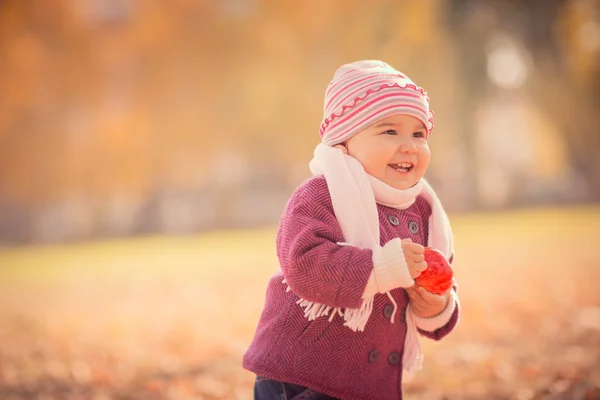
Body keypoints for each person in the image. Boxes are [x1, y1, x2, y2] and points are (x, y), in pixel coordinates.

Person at [243, 60, 460, 400]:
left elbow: (440, 283)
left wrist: (435, 304)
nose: (409, 145)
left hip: (367, 382)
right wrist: (381, 267)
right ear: (344, 143)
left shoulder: (423, 209)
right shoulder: (321, 194)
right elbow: (303, 264)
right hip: (302, 373)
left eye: (419, 134)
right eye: (390, 131)